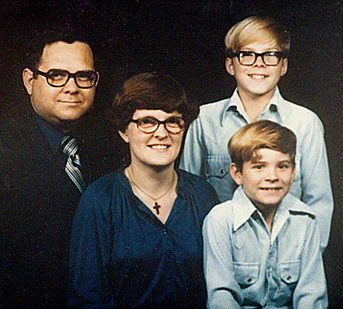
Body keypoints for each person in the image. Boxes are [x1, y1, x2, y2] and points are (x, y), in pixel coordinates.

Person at [0, 28, 125, 308]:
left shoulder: (114, 145)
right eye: (56, 75)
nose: (71, 88)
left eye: (83, 77)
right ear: (29, 81)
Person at [179, 15, 333, 250]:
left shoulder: (305, 123)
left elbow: (319, 203)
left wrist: (305, 261)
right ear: (231, 65)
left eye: (270, 55)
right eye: (247, 54)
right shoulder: (203, 121)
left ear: (283, 66)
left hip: (286, 259)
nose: (258, 64)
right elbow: (187, 197)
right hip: (220, 256)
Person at [68, 72, 219, 309]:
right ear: (124, 131)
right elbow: (88, 299)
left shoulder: (203, 195)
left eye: (173, 121)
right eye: (146, 121)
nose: (161, 133)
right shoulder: (100, 200)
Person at [203, 120, 328, 308]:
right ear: (237, 173)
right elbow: (221, 296)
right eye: (259, 166)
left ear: (294, 172)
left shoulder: (305, 220)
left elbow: (311, 294)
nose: (272, 177)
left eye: (283, 166)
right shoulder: (220, 220)